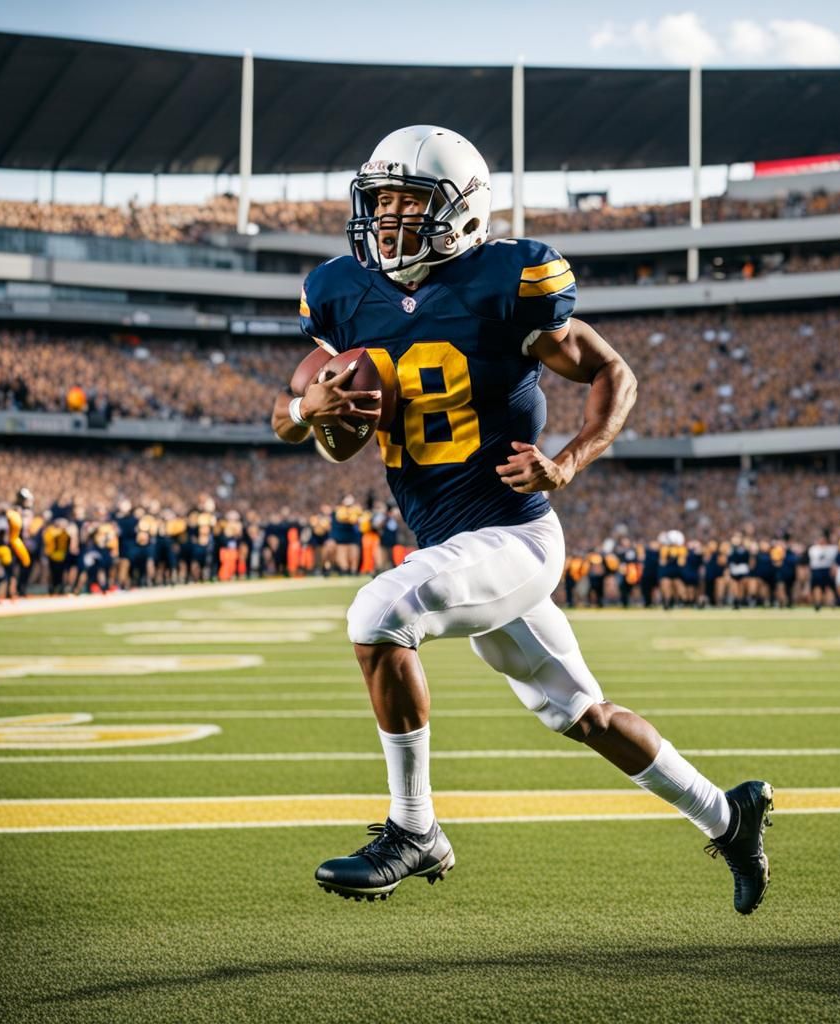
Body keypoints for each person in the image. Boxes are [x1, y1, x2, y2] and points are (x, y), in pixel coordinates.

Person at [271, 125, 773, 914]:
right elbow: (285, 417)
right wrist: (310, 406)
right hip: (452, 541)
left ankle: (415, 829)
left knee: (378, 613)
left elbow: (612, 371)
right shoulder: (344, 292)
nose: (390, 219)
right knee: (587, 716)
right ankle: (728, 815)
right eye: (382, 202)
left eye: (410, 203)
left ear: (462, 210)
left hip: (515, 535)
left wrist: (568, 459)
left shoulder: (510, 279)